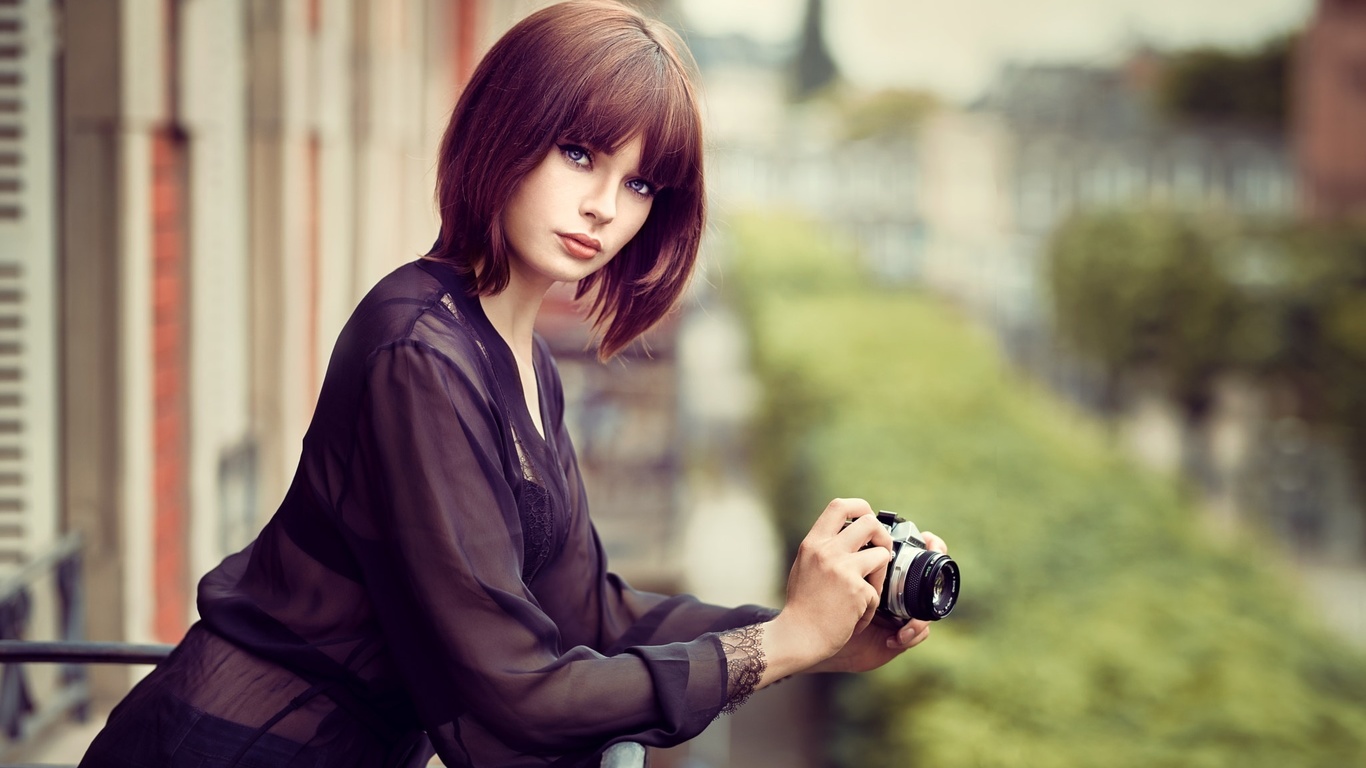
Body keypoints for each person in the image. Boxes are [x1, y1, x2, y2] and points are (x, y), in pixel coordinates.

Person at [78, 2, 948, 766]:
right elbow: (516, 691)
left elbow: (594, 616)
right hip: (229, 750)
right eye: (580, 154)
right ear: (506, 129)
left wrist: (817, 635)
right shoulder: (418, 351)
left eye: (638, 182)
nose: (605, 206)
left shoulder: (521, 360)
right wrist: (776, 645)